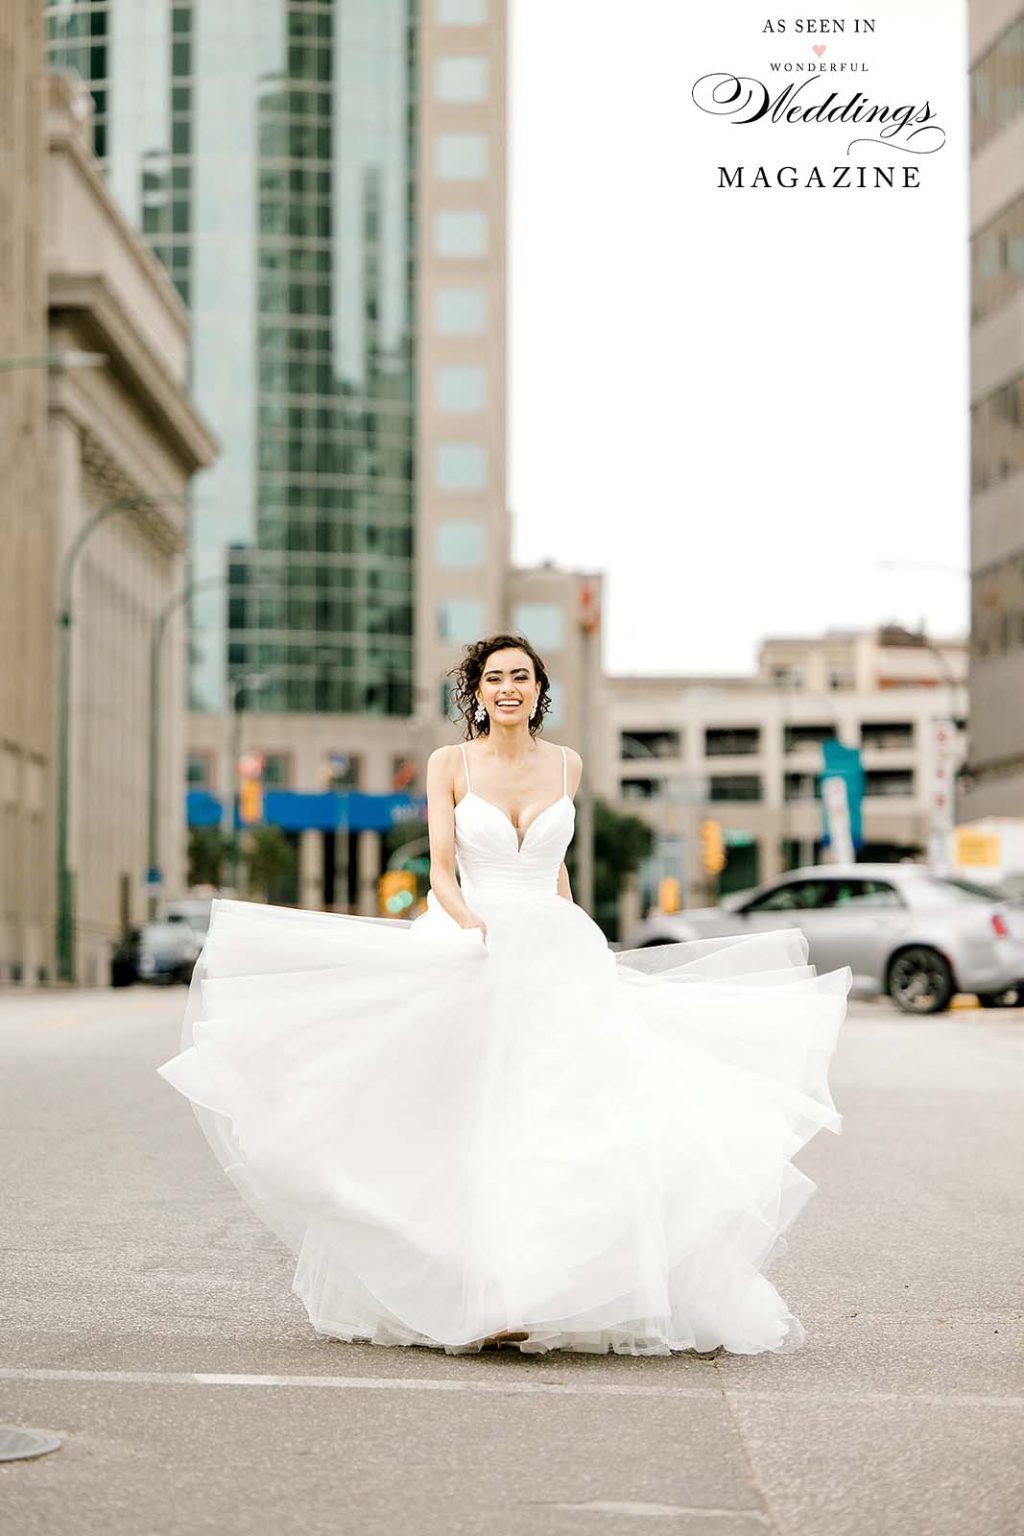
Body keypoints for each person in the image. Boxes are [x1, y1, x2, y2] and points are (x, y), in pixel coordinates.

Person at [158, 633, 851, 1356]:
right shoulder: (449, 763)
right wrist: (471, 927)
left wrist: (584, 937)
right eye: (495, 679)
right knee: (464, 1119)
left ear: (538, 689)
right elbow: (442, 873)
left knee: (560, 1122)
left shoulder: (567, 764)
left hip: (559, 949)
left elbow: (556, 872)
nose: (509, 688)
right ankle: (471, 1286)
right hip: (473, 941)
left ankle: (539, 1291)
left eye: (521, 677)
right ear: (478, 692)